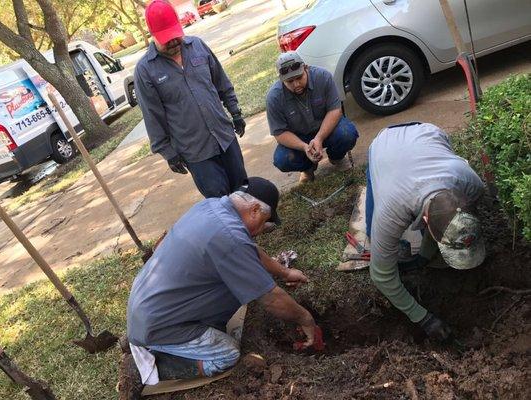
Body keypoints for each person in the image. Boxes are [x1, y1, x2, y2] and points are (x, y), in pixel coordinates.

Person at [126, 177, 317, 386]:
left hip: (149, 306)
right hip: (159, 325)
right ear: (254, 209)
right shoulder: (229, 237)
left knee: (239, 283)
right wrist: (305, 318)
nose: (263, 228)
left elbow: (249, 250)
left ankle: (149, 341)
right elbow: (271, 299)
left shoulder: (210, 207)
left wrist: (284, 273)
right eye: (265, 221)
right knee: (227, 354)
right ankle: (149, 367)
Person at [365, 122, 486, 342]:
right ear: (426, 220)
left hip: (428, 132)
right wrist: (423, 318)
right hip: (384, 147)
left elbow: (457, 220)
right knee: (374, 236)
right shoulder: (392, 210)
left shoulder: (471, 184)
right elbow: (381, 276)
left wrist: (424, 256)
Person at [134, 0, 247, 198]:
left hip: (224, 134)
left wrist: (235, 112)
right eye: (166, 39)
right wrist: (168, 153)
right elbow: (152, 116)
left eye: (175, 35)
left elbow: (222, 82)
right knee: (219, 200)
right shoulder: (145, 70)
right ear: (152, 35)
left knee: (243, 189)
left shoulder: (198, 46)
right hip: (195, 150)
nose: (174, 42)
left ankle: (253, 227)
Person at [266, 51, 359, 183]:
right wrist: (304, 147)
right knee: (282, 159)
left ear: (306, 68)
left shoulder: (323, 77)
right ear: (281, 80)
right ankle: (307, 168)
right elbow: (279, 133)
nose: (296, 84)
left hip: (328, 129)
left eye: (299, 77)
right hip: (299, 137)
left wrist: (319, 138)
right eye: (290, 81)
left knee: (347, 133)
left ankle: (337, 158)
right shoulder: (274, 97)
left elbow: (335, 110)